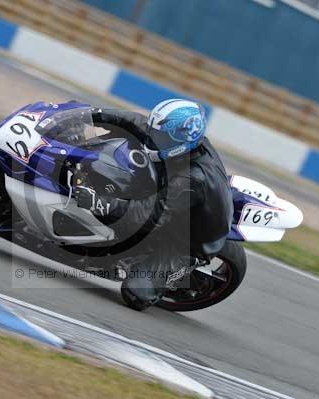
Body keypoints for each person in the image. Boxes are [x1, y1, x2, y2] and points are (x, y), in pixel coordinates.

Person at [74, 99, 233, 310]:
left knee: (135, 293)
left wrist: (99, 203)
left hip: (185, 242)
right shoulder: (181, 146)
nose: (152, 138)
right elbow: (134, 121)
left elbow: (144, 216)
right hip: (175, 203)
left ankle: (179, 272)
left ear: (181, 142)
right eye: (154, 131)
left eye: (160, 137)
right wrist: (89, 114)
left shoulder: (193, 179)